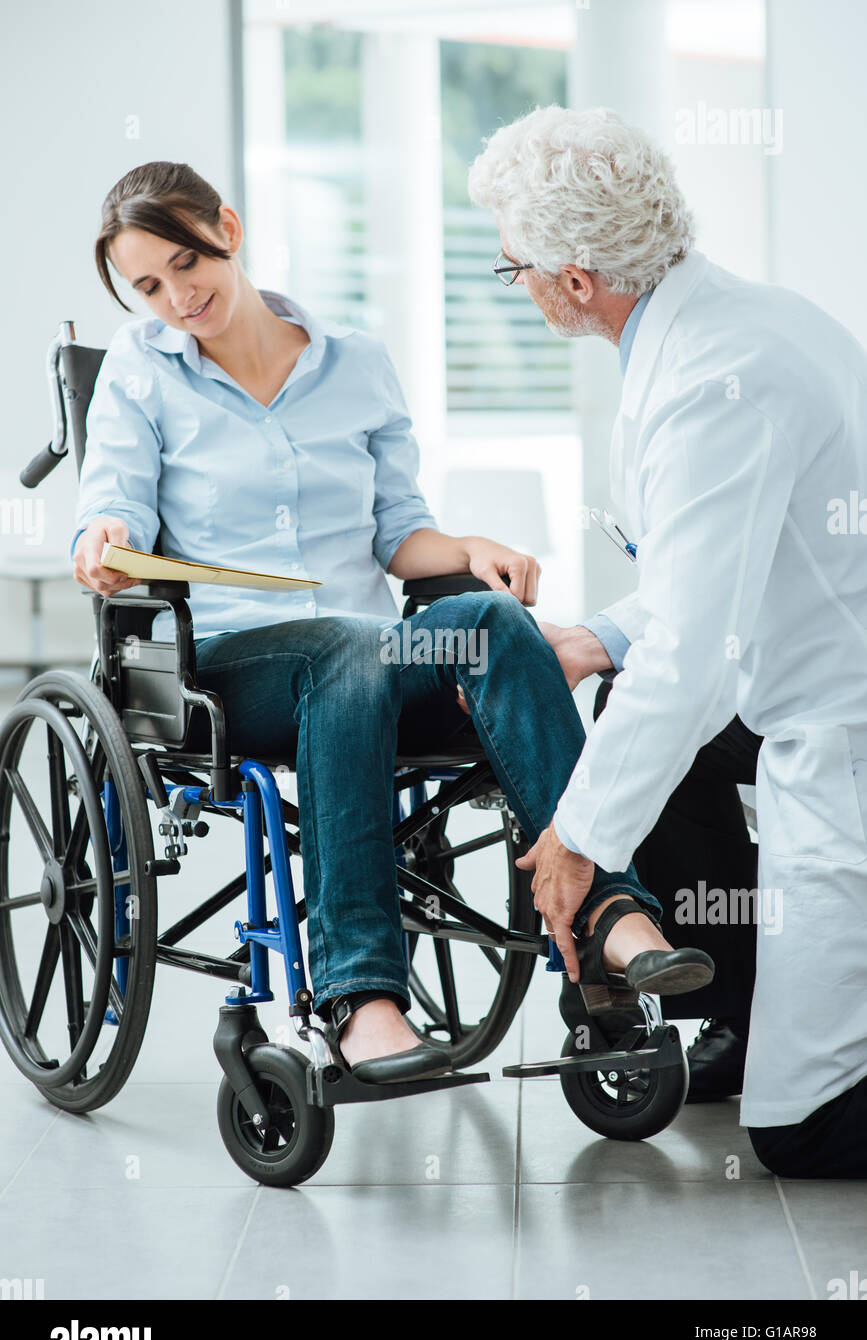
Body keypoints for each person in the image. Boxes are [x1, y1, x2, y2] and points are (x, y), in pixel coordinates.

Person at [70, 160, 708, 1086]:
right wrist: (106, 533)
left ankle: (608, 913)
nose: (176, 296)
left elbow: (396, 534)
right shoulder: (143, 367)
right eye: (148, 285)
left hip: (365, 660)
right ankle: (360, 997)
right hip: (227, 672)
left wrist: (464, 547)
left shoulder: (355, 363)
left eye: (185, 262)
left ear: (229, 229)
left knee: (488, 620)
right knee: (343, 648)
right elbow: (112, 499)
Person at [470, 105, 867, 1178]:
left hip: (843, 726)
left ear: (577, 278)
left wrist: (577, 837)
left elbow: (695, 650)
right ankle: (738, 995)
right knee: (640, 713)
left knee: (804, 1131)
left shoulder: (712, 381)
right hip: (807, 669)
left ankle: (806, 1048)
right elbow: (727, 571)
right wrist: (596, 639)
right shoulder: (741, 323)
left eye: (517, 271)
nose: (523, 289)